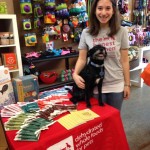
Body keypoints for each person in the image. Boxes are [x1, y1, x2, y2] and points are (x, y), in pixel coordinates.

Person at [73, 0, 130, 111]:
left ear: (113, 10)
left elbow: (124, 60)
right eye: (100, 8)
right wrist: (75, 74)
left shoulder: (122, 31)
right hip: (94, 86)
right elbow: (82, 58)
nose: (103, 13)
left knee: (114, 120)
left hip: (116, 85)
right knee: (98, 123)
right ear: (94, 10)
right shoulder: (86, 32)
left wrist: (127, 84)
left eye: (108, 8)